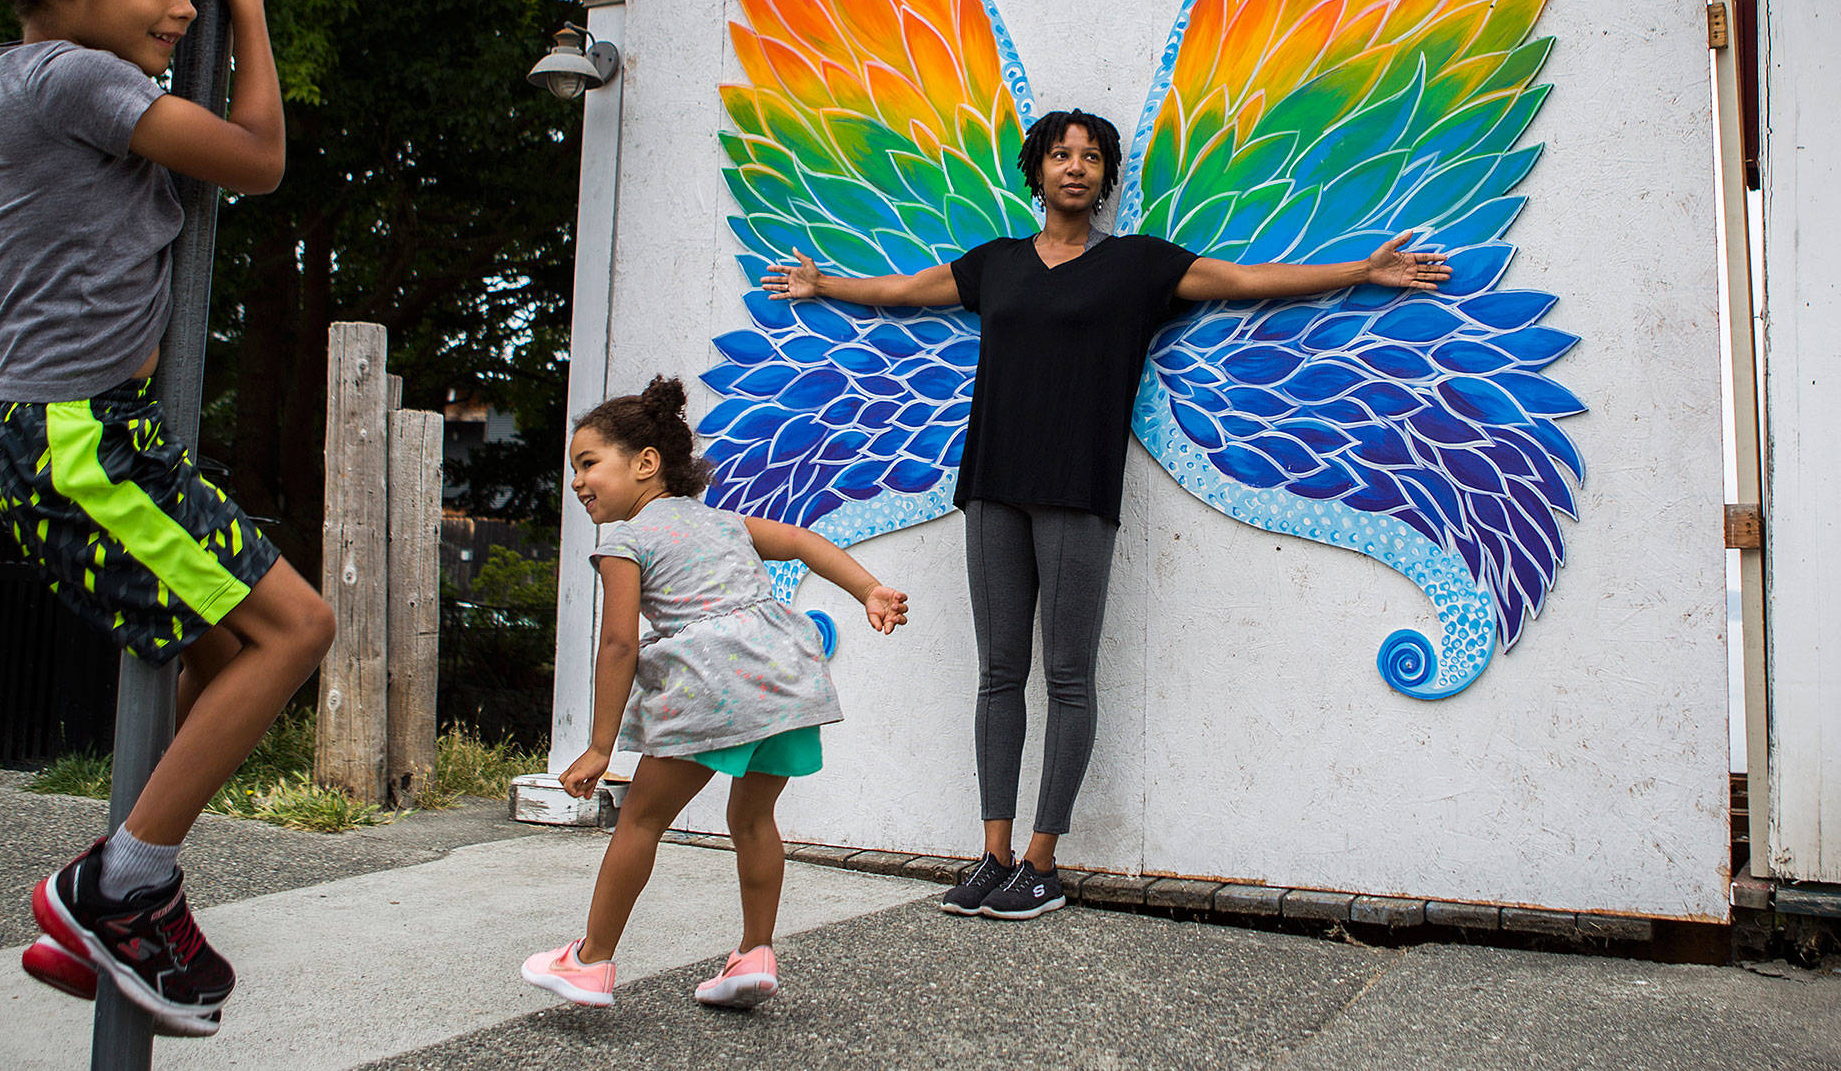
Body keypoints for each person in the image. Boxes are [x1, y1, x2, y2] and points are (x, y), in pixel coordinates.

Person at [763, 108, 1449, 920]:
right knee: (997, 674)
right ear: (1039, 170)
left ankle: (1043, 863)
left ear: (1105, 177)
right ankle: (993, 853)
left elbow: (1244, 279)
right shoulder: (998, 265)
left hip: (1079, 488)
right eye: (1061, 154)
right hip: (991, 485)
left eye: (1091, 157)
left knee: (1067, 674)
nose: (1076, 167)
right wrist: (822, 284)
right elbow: (906, 292)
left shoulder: (1137, 267)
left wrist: (1361, 271)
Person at [0, 0, 333, 1036]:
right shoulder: (69, 80)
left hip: (91, 433)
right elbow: (257, 160)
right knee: (299, 626)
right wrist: (248, 6)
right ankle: (123, 885)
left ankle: (105, 904)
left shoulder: (80, 46)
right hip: (79, 436)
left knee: (215, 655)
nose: (181, 1)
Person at [521, 376, 909, 1010]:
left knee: (642, 819)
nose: (577, 481)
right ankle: (754, 954)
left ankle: (590, 961)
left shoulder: (626, 539)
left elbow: (618, 645)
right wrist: (867, 589)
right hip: (782, 680)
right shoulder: (724, 522)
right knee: (753, 819)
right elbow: (804, 542)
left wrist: (598, 748)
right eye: (575, 469)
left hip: (711, 687)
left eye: (588, 463)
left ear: (646, 464)